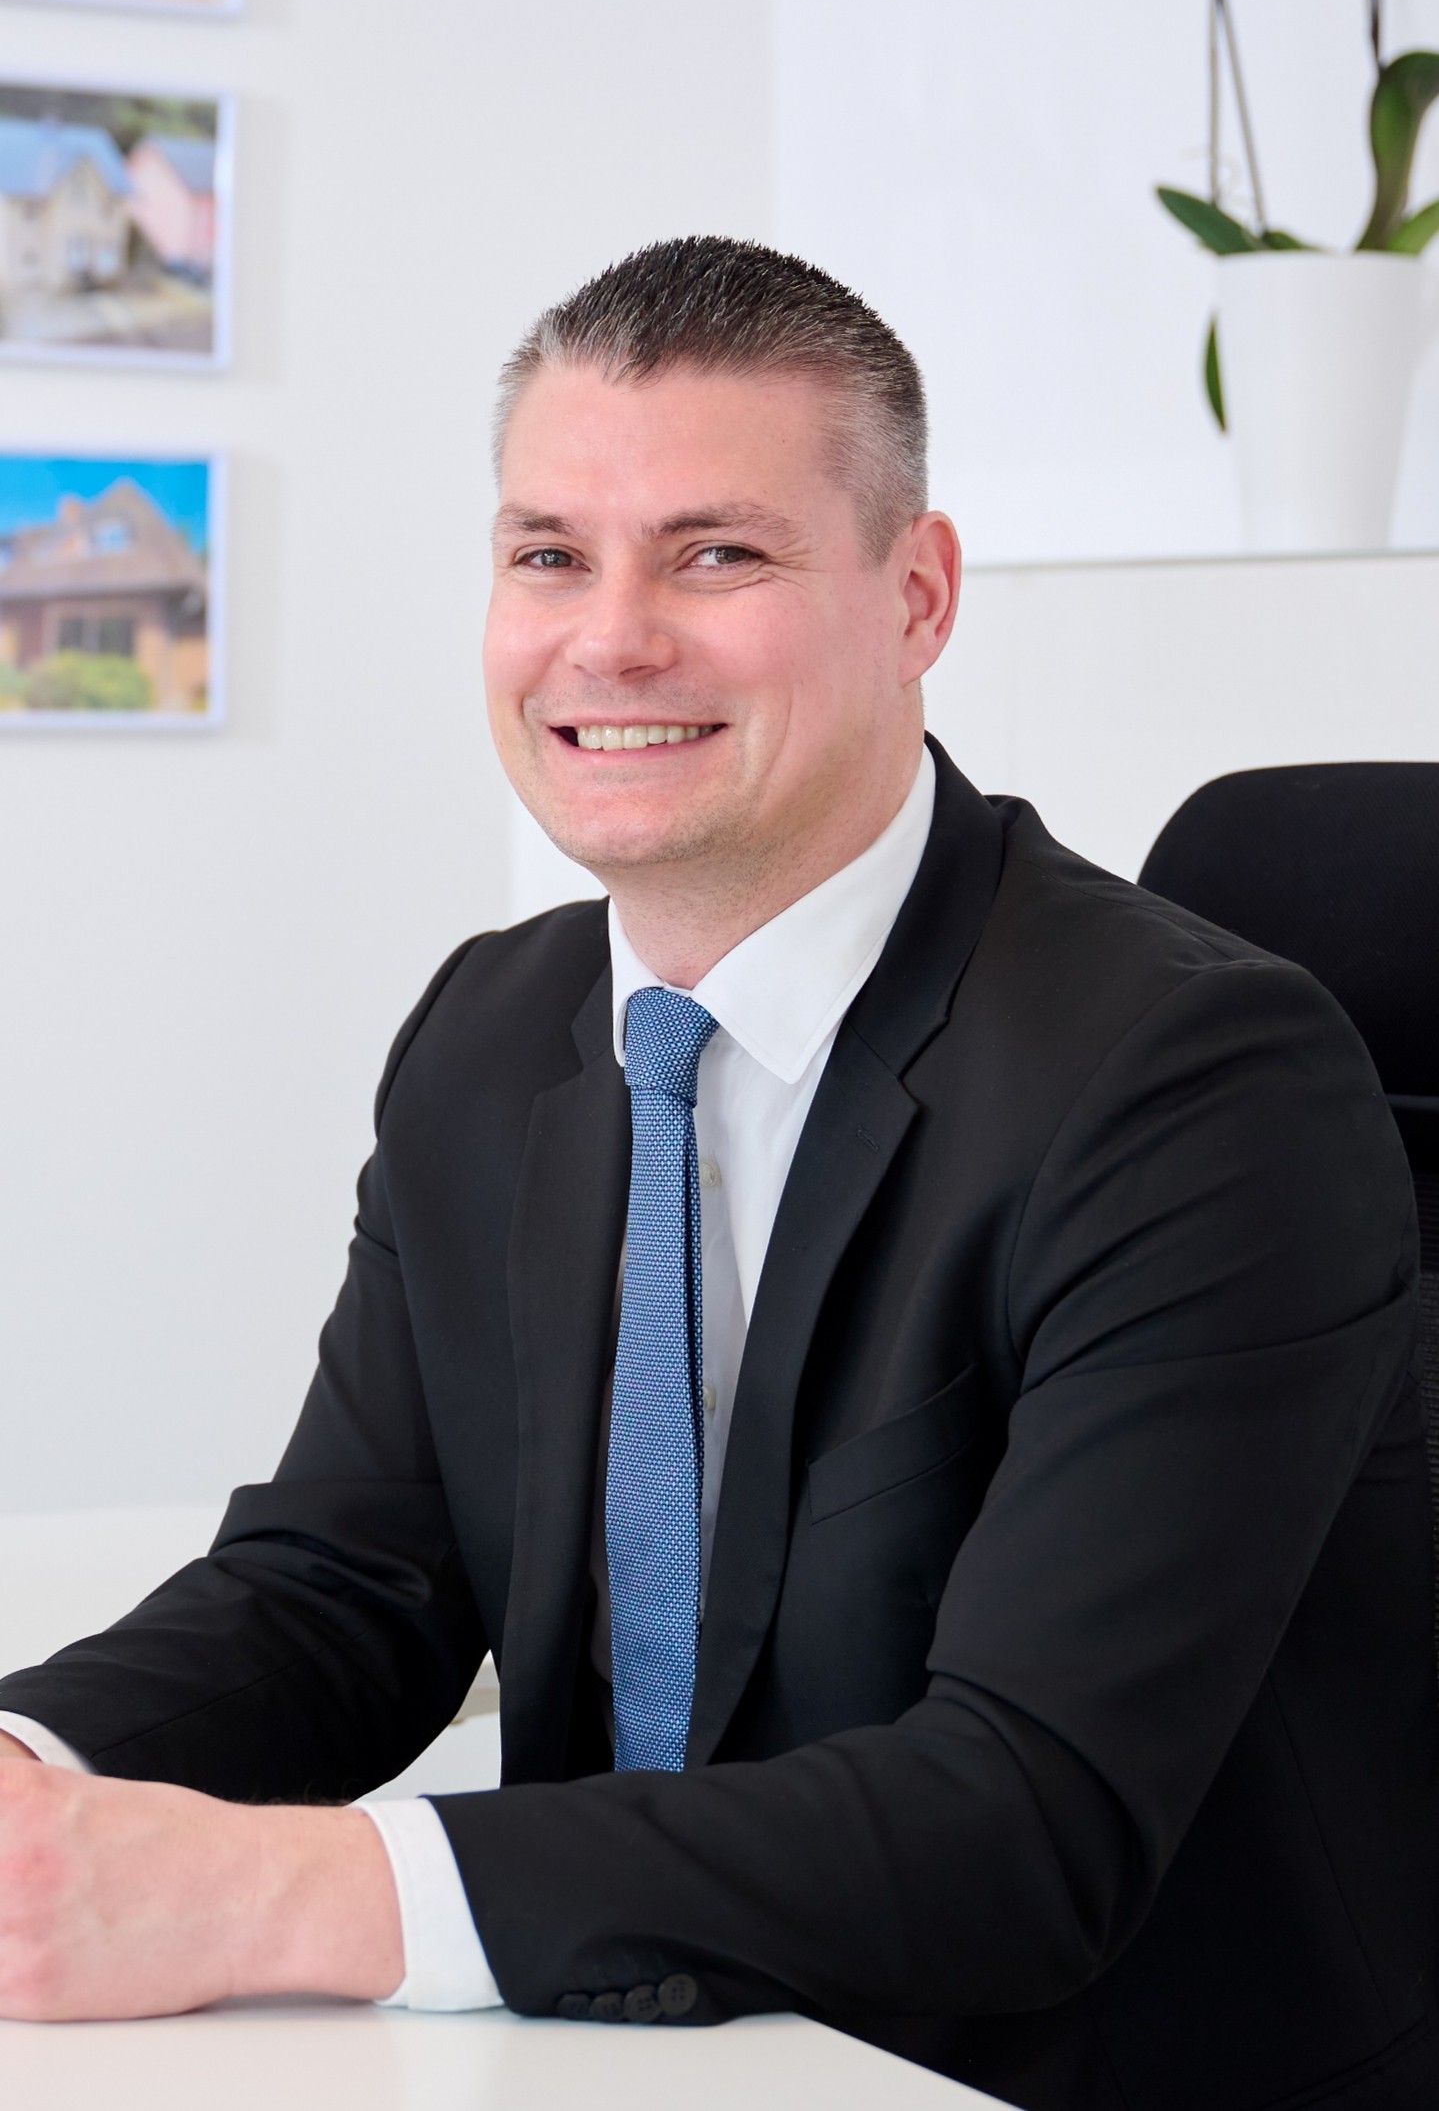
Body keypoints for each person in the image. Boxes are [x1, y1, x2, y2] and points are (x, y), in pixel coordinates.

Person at [0, 237, 1433, 2111]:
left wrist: (271, 1893)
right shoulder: (491, 1027)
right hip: (630, 2040)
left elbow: (1025, 1816)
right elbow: (347, 1582)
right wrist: (36, 1773)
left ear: (916, 597)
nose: (610, 640)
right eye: (548, 555)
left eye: (717, 554)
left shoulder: (1195, 1081)